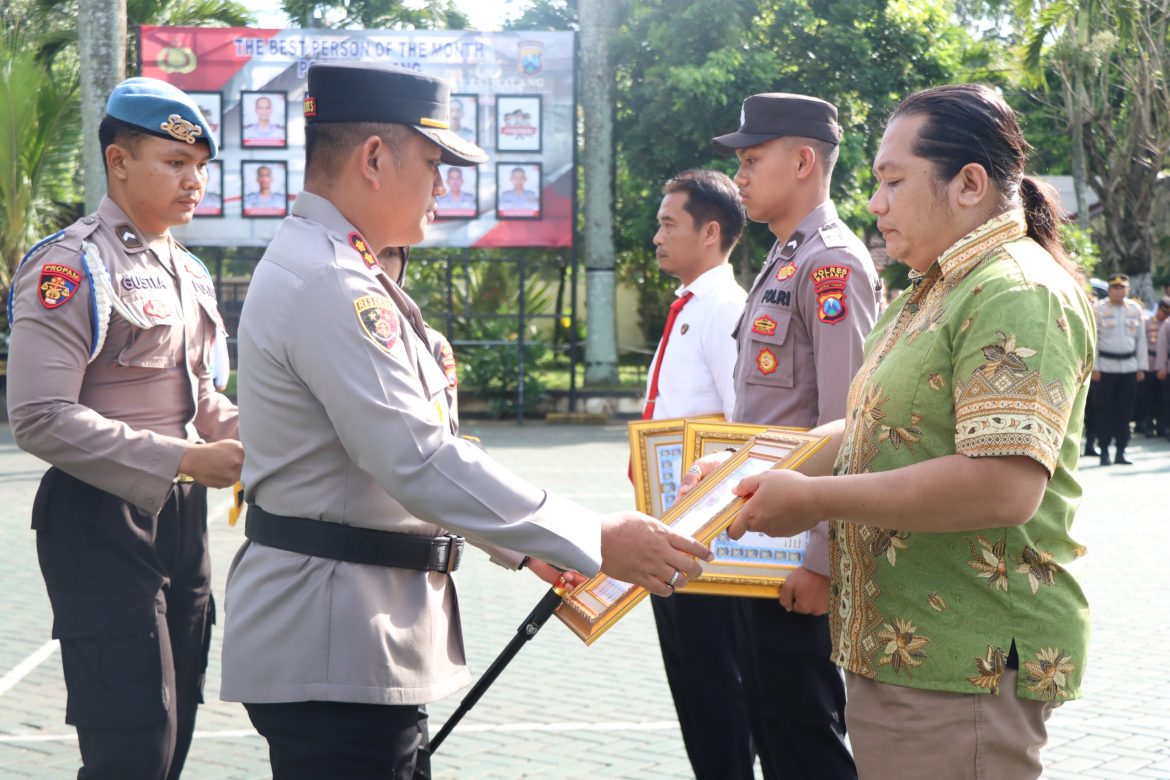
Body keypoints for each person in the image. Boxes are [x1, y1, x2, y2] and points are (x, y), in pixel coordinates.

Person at [219, 62, 712, 778]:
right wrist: (594, 537)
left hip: (348, 635)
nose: (444, 186)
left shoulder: (337, 269)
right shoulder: (331, 281)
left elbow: (399, 462)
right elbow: (417, 459)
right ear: (375, 158)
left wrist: (525, 544)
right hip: (338, 642)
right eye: (433, 162)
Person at [720, 83, 1094, 780]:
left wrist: (814, 502)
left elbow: (1004, 485)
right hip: (911, 650)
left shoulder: (1014, 289)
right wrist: (754, 469)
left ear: (969, 184)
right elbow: (865, 424)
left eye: (893, 182)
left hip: (964, 659)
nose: (875, 203)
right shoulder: (935, 289)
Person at [5, 76, 242, 780]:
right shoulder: (70, 266)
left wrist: (262, 444)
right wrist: (186, 459)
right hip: (98, 516)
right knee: (131, 743)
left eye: (200, 165)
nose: (193, 180)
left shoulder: (189, 271)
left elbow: (204, 397)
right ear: (118, 162)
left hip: (181, 518)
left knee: (174, 731)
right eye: (174, 163)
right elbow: (39, 418)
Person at [708, 92, 881, 780]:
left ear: (804, 160)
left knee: (805, 740)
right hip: (759, 548)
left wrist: (822, 561)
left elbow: (851, 425)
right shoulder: (784, 258)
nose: (740, 175)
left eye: (753, 159)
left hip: (796, 560)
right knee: (773, 732)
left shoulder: (832, 265)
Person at [640, 169, 751, 779]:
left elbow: (743, 426)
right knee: (695, 693)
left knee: (716, 695)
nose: (656, 236)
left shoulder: (725, 310)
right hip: (671, 533)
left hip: (708, 544)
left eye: (667, 223)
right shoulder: (688, 306)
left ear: (710, 232)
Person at [1092, 273, 1147, 465]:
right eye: (1114, 287)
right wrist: (1095, 367)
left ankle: (1121, 451)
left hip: (1129, 368)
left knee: (1125, 411)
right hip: (1106, 368)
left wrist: (1141, 367)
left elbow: (1141, 341)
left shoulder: (1134, 309)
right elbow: (1094, 340)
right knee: (1105, 411)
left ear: (1127, 289)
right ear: (1109, 289)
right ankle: (1105, 450)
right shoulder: (1098, 308)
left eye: (1122, 287)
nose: (1118, 290)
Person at [1137, 296, 1169, 437]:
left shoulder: (1167, 324)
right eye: (1163, 311)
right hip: (1149, 363)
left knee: (1162, 397)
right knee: (1147, 396)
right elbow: (1140, 345)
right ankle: (1147, 424)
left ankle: (1162, 425)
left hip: (1164, 365)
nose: (1164, 314)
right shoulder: (1147, 323)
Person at [1156, 298, 1170, 441]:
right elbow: (1162, 346)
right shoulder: (1168, 323)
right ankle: (1165, 428)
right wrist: (1161, 367)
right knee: (1167, 401)